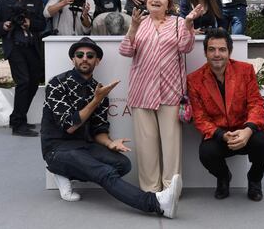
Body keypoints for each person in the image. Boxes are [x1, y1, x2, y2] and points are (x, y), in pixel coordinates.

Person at [40, 37, 182, 218]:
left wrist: (110, 143)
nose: (85, 58)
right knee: (104, 172)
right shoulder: (57, 84)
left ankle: (64, 172)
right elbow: (70, 126)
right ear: (73, 59)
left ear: (97, 61)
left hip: (83, 147)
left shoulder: (99, 91)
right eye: (80, 55)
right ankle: (156, 203)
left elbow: (98, 130)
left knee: (122, 164)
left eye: (90, 56)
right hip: (57, 149)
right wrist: (95, 100)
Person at [119, 0, 202, 192]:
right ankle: (150, 191)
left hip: (171, 92)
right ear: (146, 1)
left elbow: (186, 47)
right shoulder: (139, 22)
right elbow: (126, 51)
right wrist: (132, 29)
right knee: (146, 148)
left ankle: (171, 190)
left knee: (172, 147)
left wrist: (189, 23)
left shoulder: (178, 23)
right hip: (142, 92)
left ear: (169, 4)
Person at [187, 29, 264, 201]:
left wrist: (248, 130)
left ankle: (255, 179)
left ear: (229, 52)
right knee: (206, 152)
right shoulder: (194, 79)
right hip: (219, 136)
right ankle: (224, 177)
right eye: (212, 49)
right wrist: (221, 135)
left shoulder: (245, 71)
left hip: (245, 132)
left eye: (222, 49)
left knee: (262, 143)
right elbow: (200, 117)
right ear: (205, 52)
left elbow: (256, 103)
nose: (217, 54)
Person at [0, 0, 46, 137]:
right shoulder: (2, 2)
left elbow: (42, 24)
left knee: (33, 83)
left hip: (31, 45)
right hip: (13, 45)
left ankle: (17, 118)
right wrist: (4, 25)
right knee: (23, 81)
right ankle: (18, 125)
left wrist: (30, 23)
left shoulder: (35, 0)